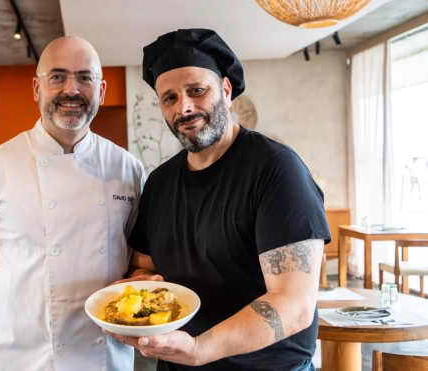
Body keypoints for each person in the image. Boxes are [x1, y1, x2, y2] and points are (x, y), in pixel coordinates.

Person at [104, 29, 331, 371]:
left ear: (226, 91)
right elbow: (145, 266)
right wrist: (145, 285)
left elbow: (294, 304)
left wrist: (199, 349)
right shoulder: (161, 182)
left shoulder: (276, 170)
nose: (184, 107)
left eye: (197, 90)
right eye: (169, 98)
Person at [0, 36, 145, 370]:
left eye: (85, 77)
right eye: (57, 77)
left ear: (101, 90)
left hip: (105, 353)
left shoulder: (127, 168)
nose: (72, 89)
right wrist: (4, 328)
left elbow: (138, 255)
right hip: (27, 354)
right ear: (37, 89)